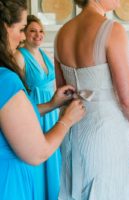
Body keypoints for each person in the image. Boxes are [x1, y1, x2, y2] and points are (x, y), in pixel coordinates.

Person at [54, 0, 129, 199]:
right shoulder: (112, 30)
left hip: (72, 133)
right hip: (104, 133)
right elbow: (128, 100)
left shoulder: (61, 34)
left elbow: (63, 93)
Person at [0, 0, 85, 199]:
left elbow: (13, 118)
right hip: (8, 183)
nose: (22, 37)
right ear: (4, 27)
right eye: (22, 29)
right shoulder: (5, 79)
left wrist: (52, 104)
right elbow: (37, 152)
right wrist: (67, 120)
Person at [14, 14, 62, 200]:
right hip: (36, 113)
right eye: (32, 31)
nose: (38, 35)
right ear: (24, 33)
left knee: (52, 159)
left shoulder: (45, 54)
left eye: (41, 31)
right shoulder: (19, 56)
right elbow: (17, 93)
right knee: (37, 159)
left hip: (52, 113)